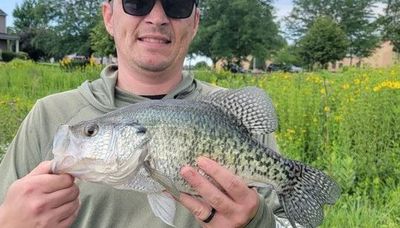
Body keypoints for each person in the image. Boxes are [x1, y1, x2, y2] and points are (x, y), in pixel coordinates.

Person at [0, 0, 292, 227]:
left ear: (195, 21)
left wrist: (257, 224)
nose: (157, 18)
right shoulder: (48, 116)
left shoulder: (230, 118)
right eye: (136, 3)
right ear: (109, 16)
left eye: (176, 4)